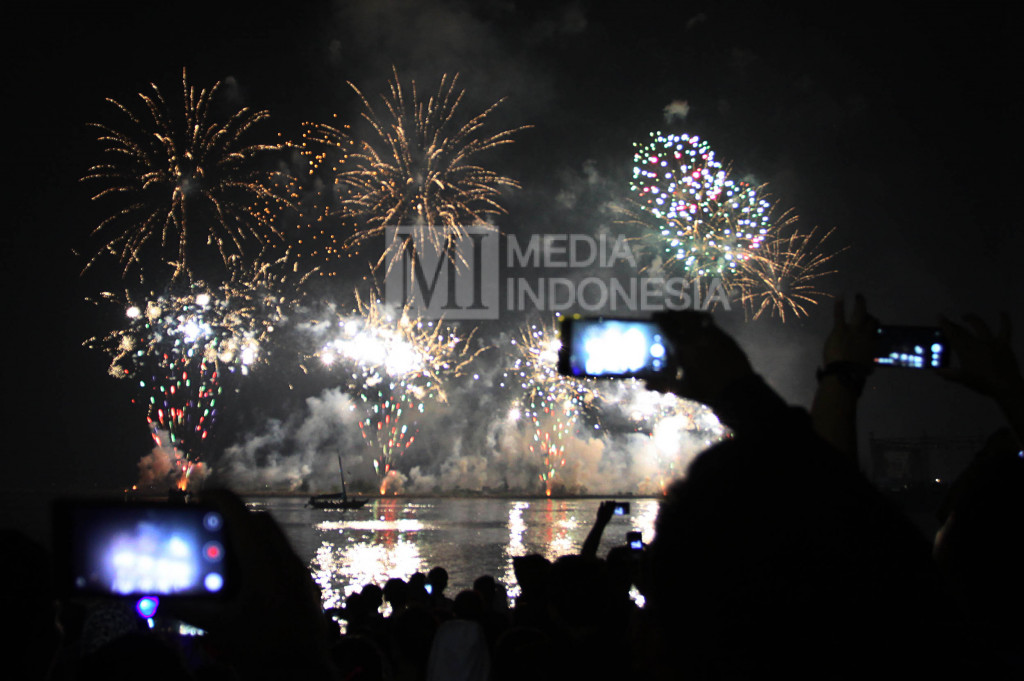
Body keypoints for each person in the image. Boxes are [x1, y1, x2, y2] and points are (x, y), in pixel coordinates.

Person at [640, 308, 962, 679]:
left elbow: (825, 492)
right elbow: (832, 502)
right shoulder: (900, 627)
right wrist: (744, 389)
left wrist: (751, 394)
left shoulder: (692, 642)